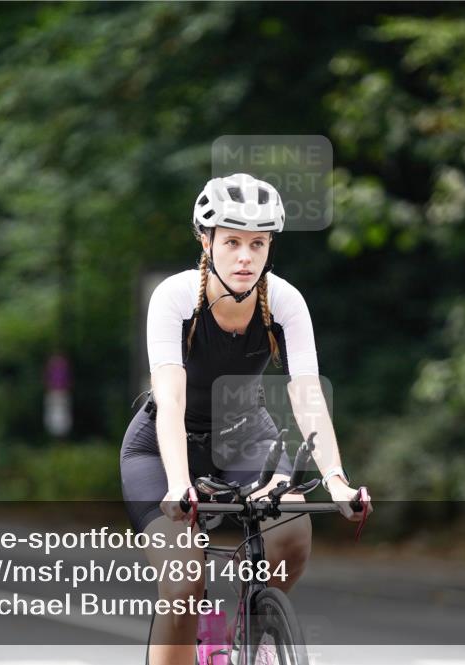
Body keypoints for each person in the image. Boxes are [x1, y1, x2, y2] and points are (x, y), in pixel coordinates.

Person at [120, 172, 372, 665]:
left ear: (269, 246)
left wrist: (337, 481)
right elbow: (170, 399)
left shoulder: (284, 301)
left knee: (292, 532)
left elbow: (307, 396)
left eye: (257, 244)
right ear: (206, 240)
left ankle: (250, 636)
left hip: (243, 436)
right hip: (162, 447)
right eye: (232, 241)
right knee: (184, 582)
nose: (244, 256)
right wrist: (178, 483)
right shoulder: (174, 298)